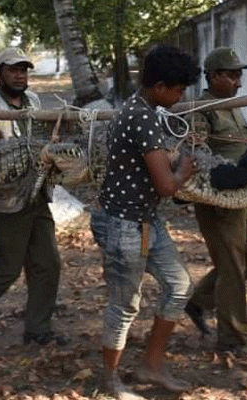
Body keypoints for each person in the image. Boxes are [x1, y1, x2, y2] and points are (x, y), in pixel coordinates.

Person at [89, 44, 200, 399]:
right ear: (160, 86)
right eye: (179, 89)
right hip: (124, 224)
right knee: (124, 305)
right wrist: (183, 170)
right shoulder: (141, 117)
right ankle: (109, 380)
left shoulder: (140, 110)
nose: (181, 96)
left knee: (179, 284)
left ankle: (151, 366)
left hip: (144, 220)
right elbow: (166, 185)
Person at [0, 48, 66, 346]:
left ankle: (38, 328)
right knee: (7, 269)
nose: (20, 75)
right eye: (13, 70)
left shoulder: (33, 101)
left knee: (48, 263)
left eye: (24, 69)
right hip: (6, 201)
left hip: (37, 193)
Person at [183, 47, 247, 355]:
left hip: (245, 194)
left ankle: (199, 301)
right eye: (232, 75)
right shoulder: (199, 110)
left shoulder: (233, 104)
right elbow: (198, 156)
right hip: (219, 198)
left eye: (239, 75)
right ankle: (232, 338)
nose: (239, 82)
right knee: (232, 266)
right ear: (214, 76)